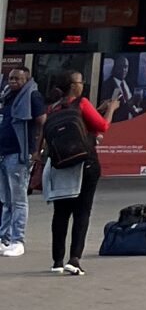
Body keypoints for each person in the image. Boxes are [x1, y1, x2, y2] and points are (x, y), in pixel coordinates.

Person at [42, 69, 116, 276]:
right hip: (85, 163)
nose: (82, 84)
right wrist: (111, 109)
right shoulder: (82, 103)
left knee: (61, 212)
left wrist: (97, 109)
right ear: (73, 86)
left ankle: (57, 260)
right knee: (82, 211)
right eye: (80, 81)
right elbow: (102, 126)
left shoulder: (53, 108)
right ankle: (74, 259)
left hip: (60, 164)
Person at [0, 60, 44, 258]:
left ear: (26, 80)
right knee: (5, 199)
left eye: (17, 78)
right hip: (3, 152)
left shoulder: (32, 96)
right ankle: (4, 238)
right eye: (10, 78)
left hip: (18, 153)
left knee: (18, 200)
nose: (13, 82)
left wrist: (36, 150)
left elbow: (41, 121)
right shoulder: (7, 96)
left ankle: (18, 240)